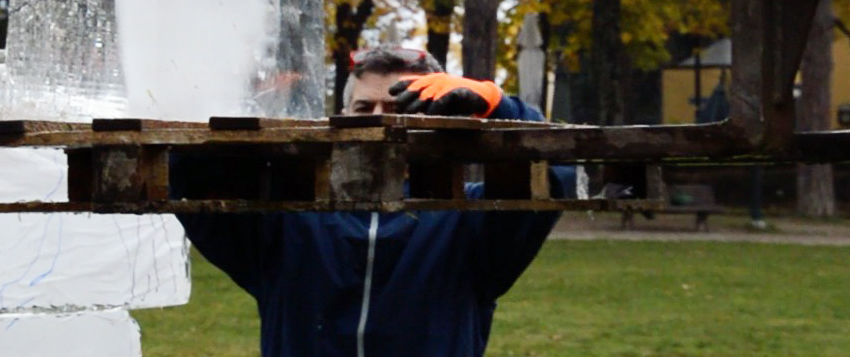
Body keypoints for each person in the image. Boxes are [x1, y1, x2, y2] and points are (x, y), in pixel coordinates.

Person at [175, 47, 575, 357]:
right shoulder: (288, 219)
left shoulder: (469, 221)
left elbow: (555, 174)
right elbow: (185, 176)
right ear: (340, 118)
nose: (379, 122)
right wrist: (245, 96)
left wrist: (497, 106)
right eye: (364, 109)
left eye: (400, 109)